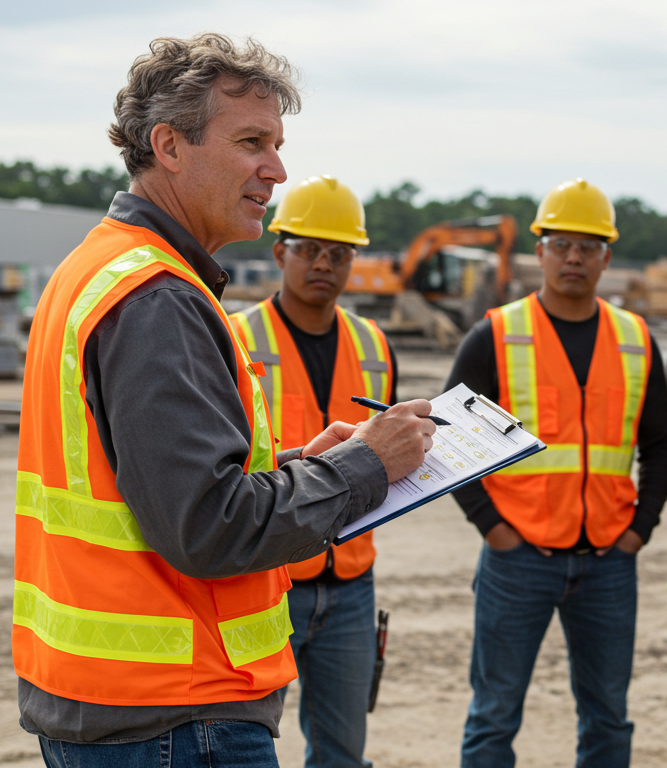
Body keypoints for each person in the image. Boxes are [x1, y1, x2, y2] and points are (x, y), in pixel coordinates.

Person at [14, 35, 435, 768]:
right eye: (251, 142)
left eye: (276, 144)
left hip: (115, 701)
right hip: (174, 713)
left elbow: (149, 485)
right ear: (169, 146)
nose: (275, 169)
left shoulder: (98, 267)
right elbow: (210, 528)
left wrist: (302, 464)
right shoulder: (158, 299)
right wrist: (364, 466)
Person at [444, 179, 667, 768]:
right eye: (561, 244)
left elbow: (661, 446)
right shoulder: (496, 334)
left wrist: (637, 532)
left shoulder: (636, 341)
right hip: (516, 558)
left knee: (607, 717)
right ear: (541, 250)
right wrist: (494, 528)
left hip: (607, 561)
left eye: (588, 246)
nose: (574, 257)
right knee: (493, 718)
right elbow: (446, 445)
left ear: (607, 257)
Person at [230, 174, 395, 768]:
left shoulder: (375, 345)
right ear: (280, 252)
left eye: (339, 252)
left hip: (351, 583)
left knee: (343, 755)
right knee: (243, 746)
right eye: (309, 250)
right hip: (267, 582)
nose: (324, 263)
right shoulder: (236, 337)